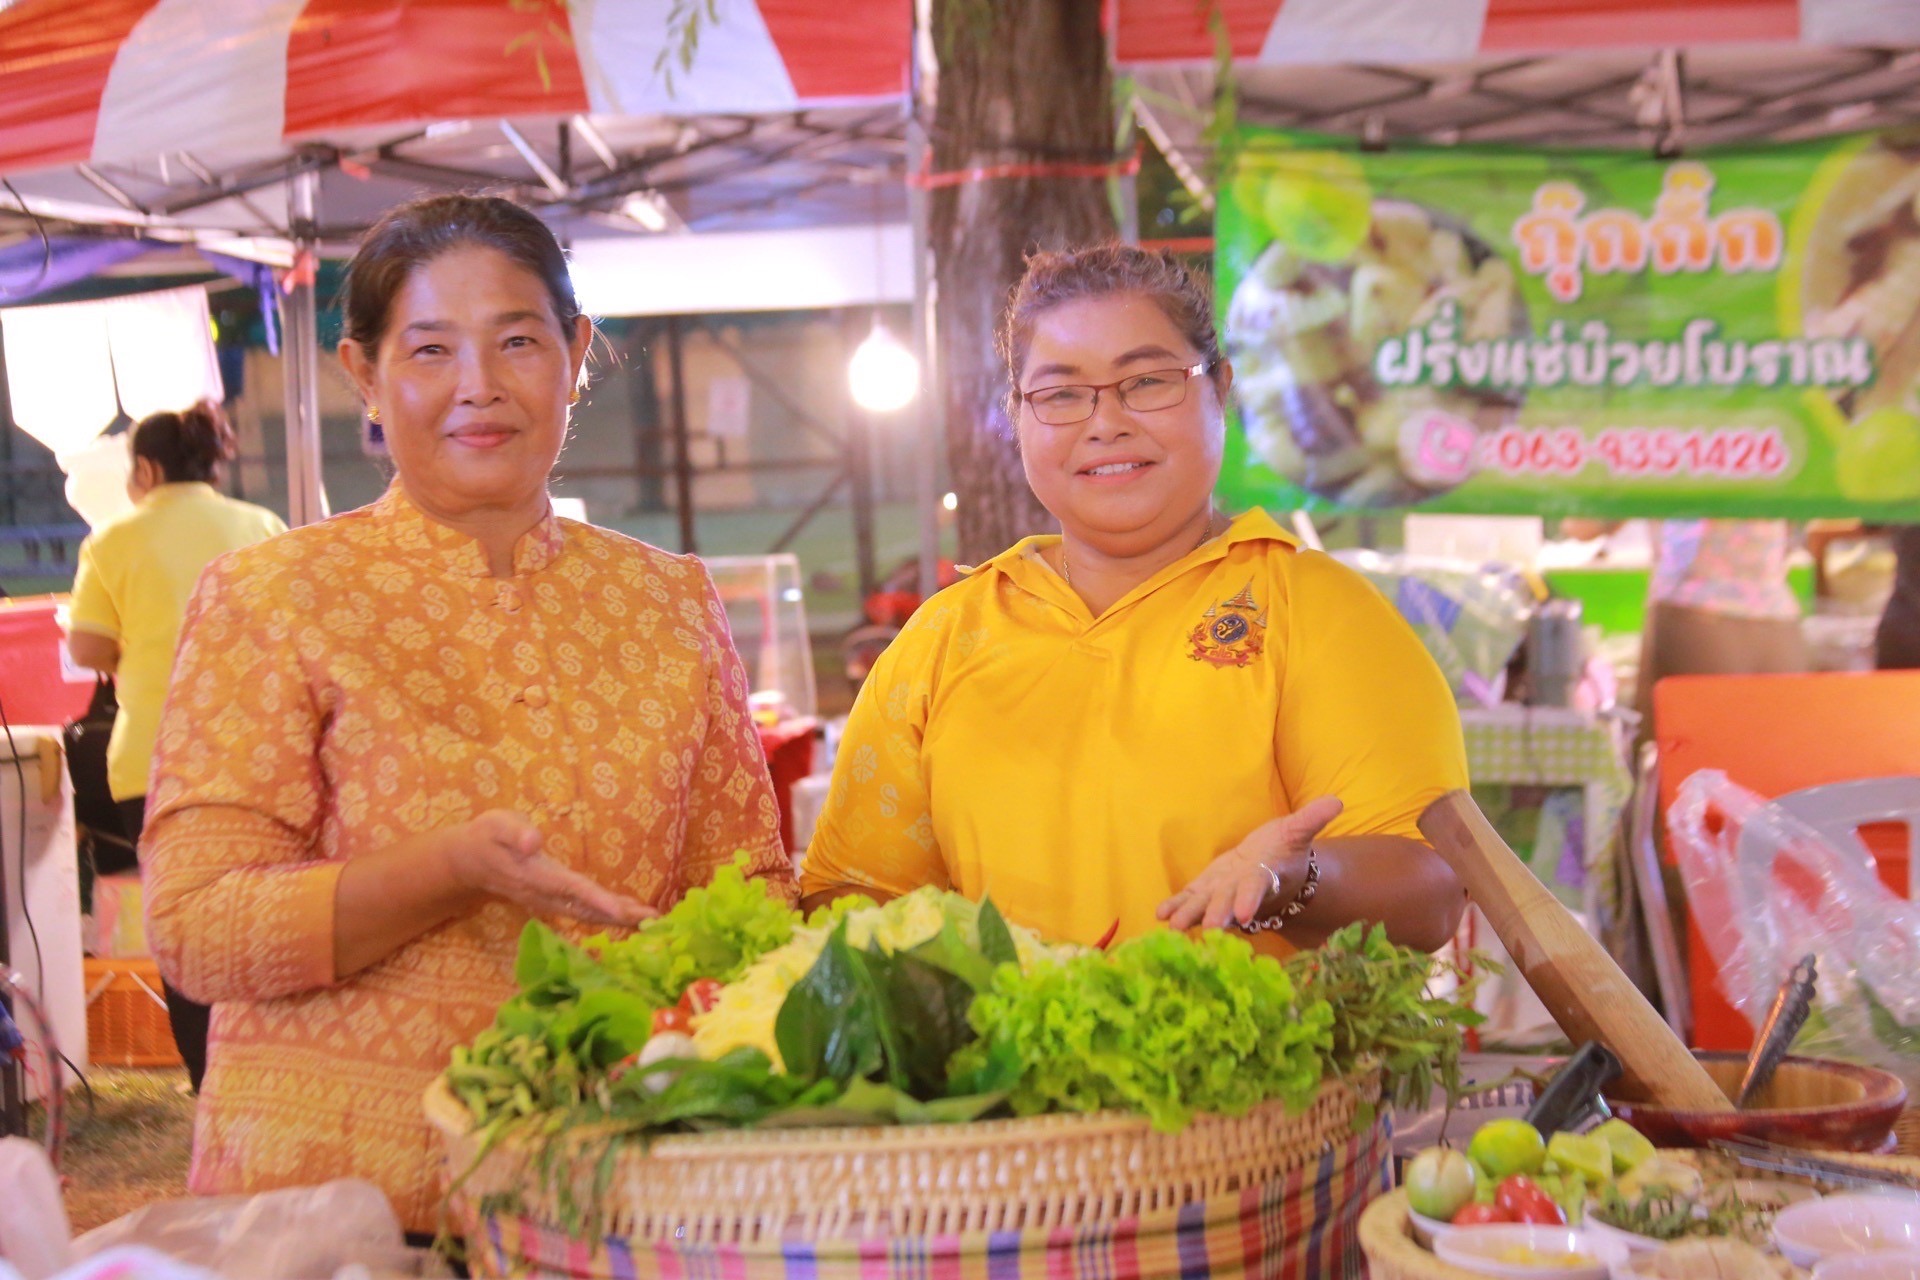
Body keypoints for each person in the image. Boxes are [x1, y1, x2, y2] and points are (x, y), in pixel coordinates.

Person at [141, 195, 793, 1236]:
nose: (478, 387)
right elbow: (197, 929)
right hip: (341, 1217)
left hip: (610, 1203)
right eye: (431, 348)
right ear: (364, 373)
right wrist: (448, 871)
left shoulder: (668, 597)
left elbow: (748, 897)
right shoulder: (272, 594)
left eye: (519, 341)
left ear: (575, 354)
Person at [800, 245, 1467, 955]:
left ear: (1220, 388)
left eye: (1147, 381)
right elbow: (855, 892)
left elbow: (1432, 893)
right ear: (1017, 416)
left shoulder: (1315, 609)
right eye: (1061, 394)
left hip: (1268, 1062)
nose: (1106, 422)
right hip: (995, 1063)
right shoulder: (944, 636)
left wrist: (1294, 876)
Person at [65, 401, 286, 1092]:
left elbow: (88, 646)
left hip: (152, 762)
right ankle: (269, 1077)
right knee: (261, 919)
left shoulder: (114, 538)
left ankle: (209, 1088)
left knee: (184, 930)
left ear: (146, 468)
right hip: (255, 757)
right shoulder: (260, 526)